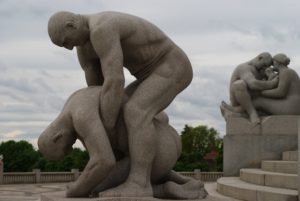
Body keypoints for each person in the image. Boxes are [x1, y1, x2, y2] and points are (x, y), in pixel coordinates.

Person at [48, 11, 193, 197]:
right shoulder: (84, 49)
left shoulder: (102, 28)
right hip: (148, 76)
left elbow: (115, 81)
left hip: (172, 65)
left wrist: (108, 129)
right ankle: (160, 175)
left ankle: (140, 183)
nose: (68, 48)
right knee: (126, 110)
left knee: (136, 111)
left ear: (71, 25)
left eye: (66, 41)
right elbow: (98, 92)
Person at [38, 86, 207, 199]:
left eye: (67, 147)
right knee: (113, 172)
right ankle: (183, 182)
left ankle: (165, 189)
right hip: (167, 137)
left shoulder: (80, 115)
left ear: (57, 137)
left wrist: (75, 190)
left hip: (158, 150)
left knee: (95, 187)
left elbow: (104, 161)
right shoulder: (76, 98)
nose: (72, 147)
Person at [222, 52, 278, 123]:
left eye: (267, 66)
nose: (264, 68)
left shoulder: (261, 70)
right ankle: (252, 113)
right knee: (239, 84)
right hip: (238, 101)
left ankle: (246, 110)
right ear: (259, 58)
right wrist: (271, 83)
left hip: (255, 99)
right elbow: (253, 84)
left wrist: (271, 77)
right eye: (264, 65)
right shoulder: (244, 67)